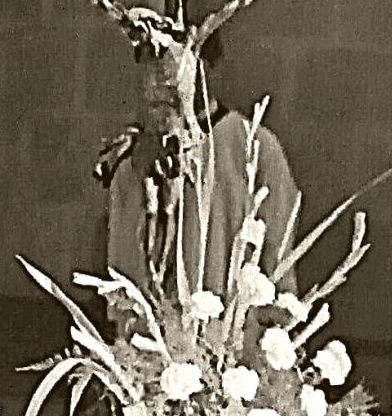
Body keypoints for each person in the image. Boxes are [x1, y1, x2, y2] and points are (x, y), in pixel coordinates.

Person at [97, 28, 300, 345]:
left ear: (206, 66)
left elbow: (278, 260)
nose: (161, 81)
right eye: (150, 66)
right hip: (154, 354)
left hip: (231, 353)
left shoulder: (255, 147)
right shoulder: (133, 163)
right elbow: (122, 282)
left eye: (172, 66)